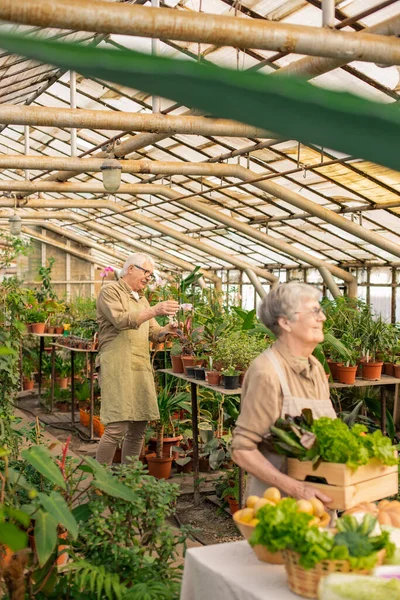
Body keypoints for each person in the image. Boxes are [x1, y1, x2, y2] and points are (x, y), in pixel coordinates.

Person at [232, 282, 335, 504]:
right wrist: (297, 489)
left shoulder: (315, 367)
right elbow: (242, 450)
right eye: (315, 311)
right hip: (277, 504)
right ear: (286, 322)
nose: (323, 318)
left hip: (317, 501)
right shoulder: (267, 372)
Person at [95, 253, 179, 465]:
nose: (148, 278)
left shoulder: (140, 298)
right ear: (130, 269)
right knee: (116, 428)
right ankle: (99, 480)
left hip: (140, 365)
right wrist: (155, 309)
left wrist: (168, 330)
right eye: (146, 272)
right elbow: (121, 321)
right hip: (117, 365)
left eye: (151, 274)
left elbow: (153, 334)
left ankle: (129, 479)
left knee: (139, 428)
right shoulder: (110, 291)